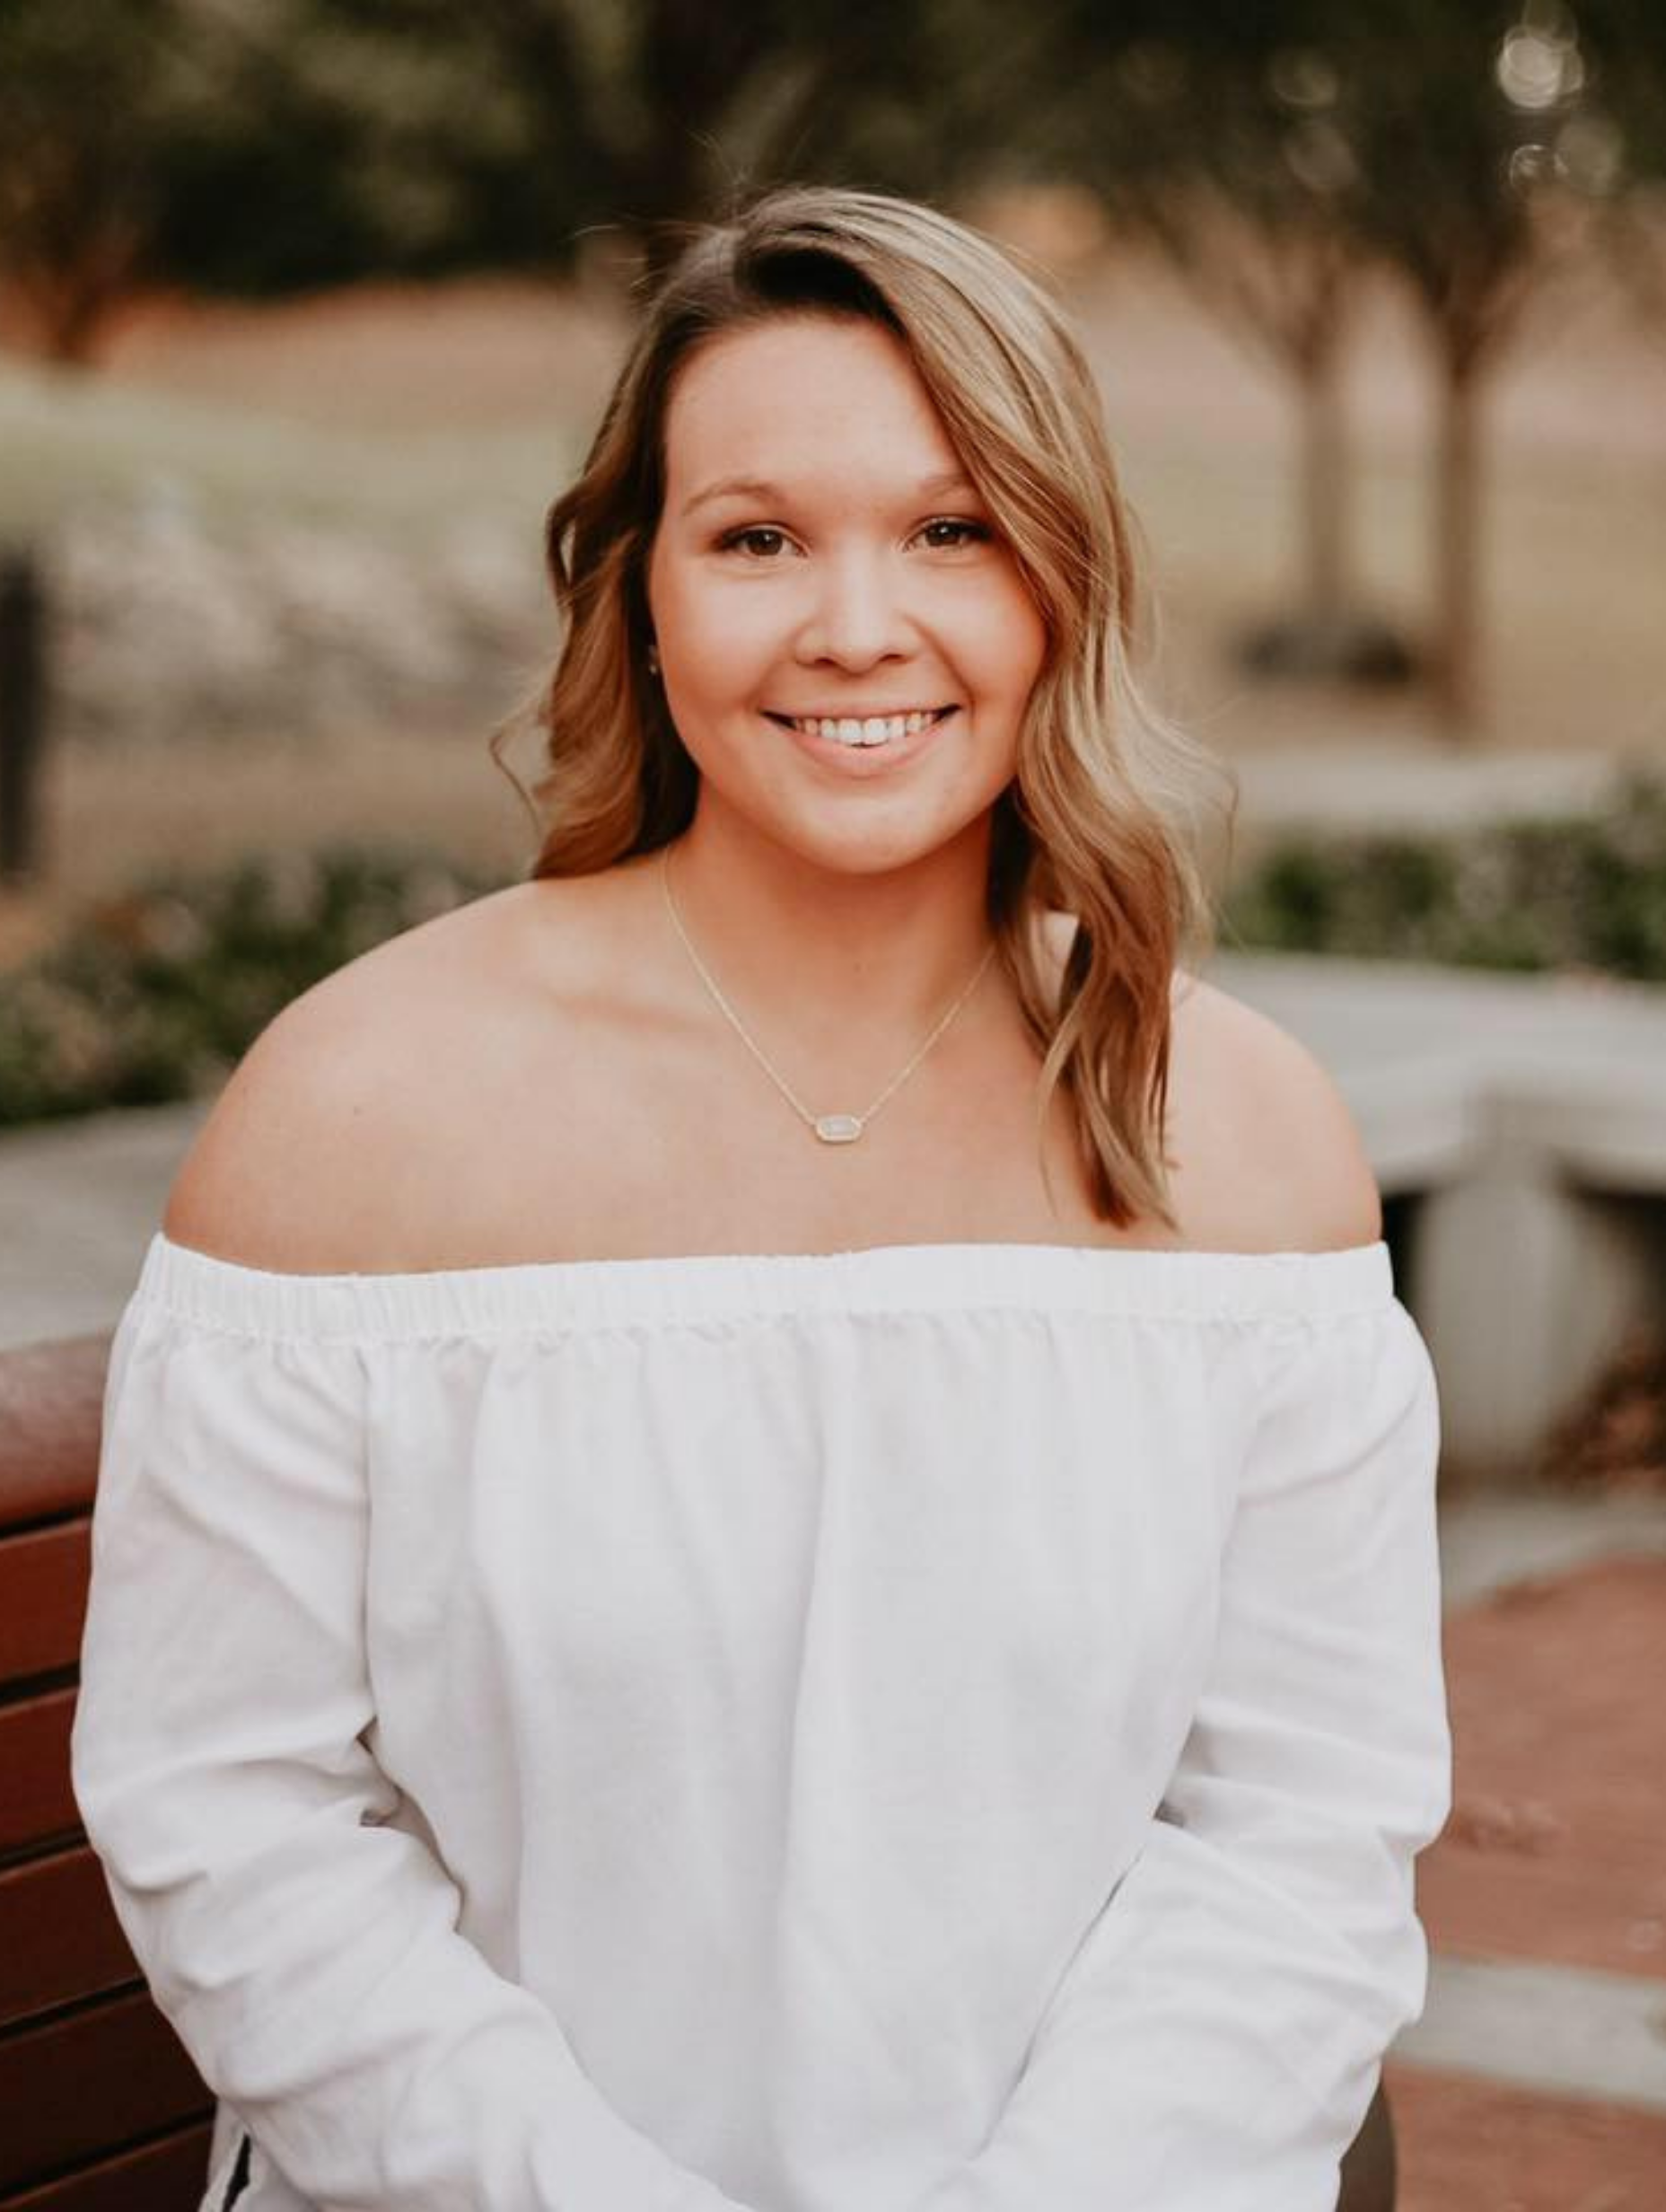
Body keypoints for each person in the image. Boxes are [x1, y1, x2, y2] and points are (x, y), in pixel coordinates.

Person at [72, 185, 1451, 2212]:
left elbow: (1293, 1834)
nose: (855, 625)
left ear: (1065, 577)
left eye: (950, 528)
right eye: (757, 537)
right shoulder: (355, 1111)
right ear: (638, 589)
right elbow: (237, 1816)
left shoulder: (1239, 1137)